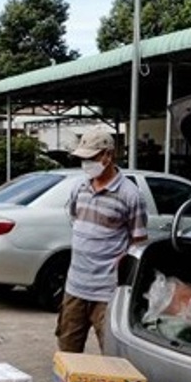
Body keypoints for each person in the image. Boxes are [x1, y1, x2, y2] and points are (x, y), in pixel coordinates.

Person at [57, 129, 148, 354]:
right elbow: (75, 220)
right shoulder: (80, 187)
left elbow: (139, 242)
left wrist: (123, 259)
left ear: (108, 156)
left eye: (91, 158)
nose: (86, 164)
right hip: (75, 287)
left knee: (111, 355)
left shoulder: (130, 195)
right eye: (83, 159)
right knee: (67, 352)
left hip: (107, 292)